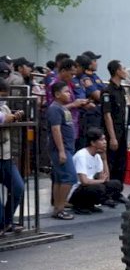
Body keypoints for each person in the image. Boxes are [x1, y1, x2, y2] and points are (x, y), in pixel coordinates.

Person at [69, 128, 123, 214]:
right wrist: (101, 181)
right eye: (101, 140)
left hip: (89, 185)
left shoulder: (97, 156)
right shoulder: (82, 155)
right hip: (76, 191)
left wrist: (104, 159)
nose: (105, 142)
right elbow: (84, 181)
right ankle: (79, 206)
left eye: (105, 139)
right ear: (93, 143)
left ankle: (91, 204)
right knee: (99, 187)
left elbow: (106, 178)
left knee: (116, 184)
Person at [48, 82, 77, 220]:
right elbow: (55, 129)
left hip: (67, 148)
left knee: (60, 179)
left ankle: (57, 208)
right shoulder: (54, 109)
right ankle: (60, 208)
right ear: (57, 94)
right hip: (62, 149)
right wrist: (61, 151)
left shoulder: (62, 108)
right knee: (70, 177)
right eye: (66, 91)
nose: (69, 94)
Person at [0, 79, 26, 234]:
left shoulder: (4, 105)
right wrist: (14, 116)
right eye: (2, 95)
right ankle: (1, 223)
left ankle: (7, 222)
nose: (4, 98)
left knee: (18, 187)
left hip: (6, 156)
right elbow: (4, 119)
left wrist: (14, 116)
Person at [102, 60, 128, 183]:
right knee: (111, 161)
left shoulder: (121, 90)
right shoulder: (107, 91)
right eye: (124, 68)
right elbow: (107, 115)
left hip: (122, 130)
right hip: (112, 131)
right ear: (117, 71)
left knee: (121, 162)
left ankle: (118, 191)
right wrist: (112, 137)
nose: (125, 71)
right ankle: (108, 192)